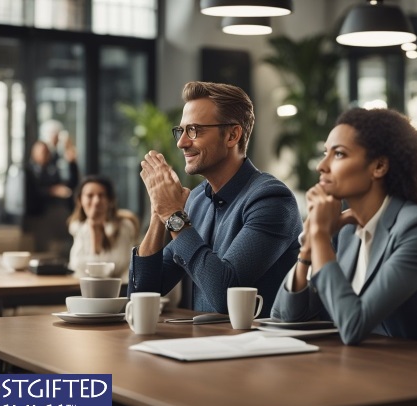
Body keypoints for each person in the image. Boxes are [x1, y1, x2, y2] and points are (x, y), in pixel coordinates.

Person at [271, 107, 417, 406]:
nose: (322, 166)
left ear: (378, 165)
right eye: (325, 154)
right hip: (366, 383)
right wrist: (308, 250)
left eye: (339, 154)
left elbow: (353, 325)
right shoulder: (348, 233)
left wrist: (319, 236)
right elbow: (286, 316)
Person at [128, 81, 302, 315]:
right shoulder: (197, 199)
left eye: (194, 130)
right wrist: (159, 212)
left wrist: (173, 214)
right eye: (181, 131)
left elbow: (226, 296)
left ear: (232, 135)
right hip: (205, 346)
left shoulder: (272, 200)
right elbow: (140, 295)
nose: (181, 143)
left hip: (261, 348)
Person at [68, 175, 140, 280]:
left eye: (101, 195)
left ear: (110, 200)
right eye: (90, 195)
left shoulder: (124, 227)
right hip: (79, 288)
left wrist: (94, 228)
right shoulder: (77, 227)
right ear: (80, 200)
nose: (96, 201)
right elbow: (75, 267)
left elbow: (112, 268)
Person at [24, 140, 79, 255]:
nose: (45, 155)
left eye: (47, 152)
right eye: (42, 152)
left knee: (61, 246)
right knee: (42, 249)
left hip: (56, 213)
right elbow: (31, 194)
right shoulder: (28, 171)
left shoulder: (53, 170)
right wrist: (51, 191)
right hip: (38, 216)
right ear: (34, 153)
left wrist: (72, 163)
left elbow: (70, 184)